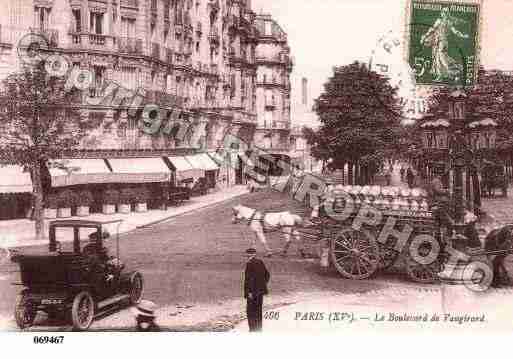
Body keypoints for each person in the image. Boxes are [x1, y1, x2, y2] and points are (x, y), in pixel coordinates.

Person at [243, 248, 270, 332]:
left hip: (252, 292)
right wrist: (262, 285)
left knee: (250, 311)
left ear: (248, 255)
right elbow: (267, 275)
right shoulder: (260, 262)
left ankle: (252, 329)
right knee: (258, 310)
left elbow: (250, 279)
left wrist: (250, 292)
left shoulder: (249, 263)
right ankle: (259, 328)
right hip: (260, 291)